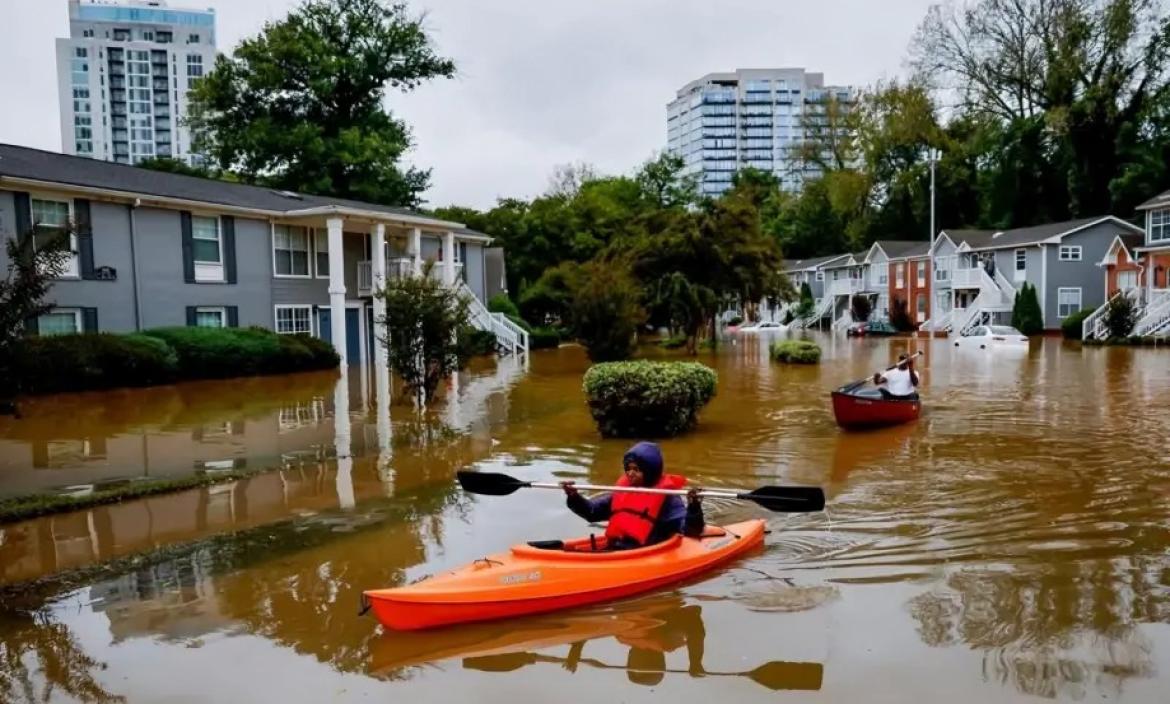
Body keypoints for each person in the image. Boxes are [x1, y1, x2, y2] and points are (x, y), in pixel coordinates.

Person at [562, 441, 704, 549]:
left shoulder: (666, 497)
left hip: (644, 553)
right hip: (615, 549)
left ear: (650, 471)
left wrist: (694, 507)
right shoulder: (624, 492)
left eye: (636, 469)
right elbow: (592, 512)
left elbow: (690, 531)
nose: (630, 473)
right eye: (628, 468)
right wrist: (574, 497)